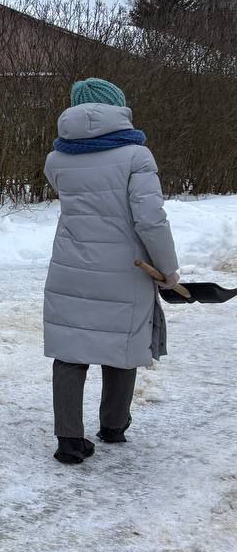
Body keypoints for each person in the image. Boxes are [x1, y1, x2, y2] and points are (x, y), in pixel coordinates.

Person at [44, 78, 180, 465]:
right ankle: (114, 425)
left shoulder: (56, 159)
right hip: (124, 268)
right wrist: (167, 270)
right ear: (118, 108)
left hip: (70, 265)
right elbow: (150, 220)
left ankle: (69, 439)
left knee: (71, 350)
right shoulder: (137, 156)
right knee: (122, 343)